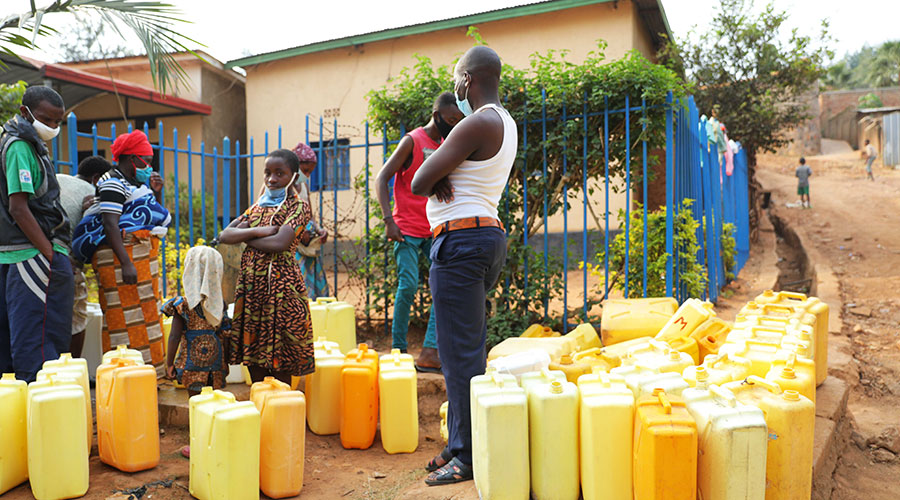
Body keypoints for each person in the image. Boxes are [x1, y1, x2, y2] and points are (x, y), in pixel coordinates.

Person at [410, 46, 517, 486]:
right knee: (463, 350)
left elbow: (418, 180)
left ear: (467, 80)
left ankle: (468, 457)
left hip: (461, 242)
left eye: (457, 81)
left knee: (459, 356)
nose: (456, 89)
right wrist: (442, 180)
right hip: (483, 236)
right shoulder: (505, 122)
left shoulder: (478, 120)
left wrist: (438, 180)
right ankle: (460, 444)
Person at [72, 130, 171, 377]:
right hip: (119, 260)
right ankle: (125, 375)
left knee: (146, 315)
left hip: (138, 257)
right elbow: (110, 224)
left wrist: (154, 191)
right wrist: (126, 263)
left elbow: (146, 216)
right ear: (131, 159)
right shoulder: (112, 182)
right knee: (122, 320)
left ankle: (150, 374)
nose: (149, 165)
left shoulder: (133, 183)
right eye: (145, 160)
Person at [376, 92, 463, 372]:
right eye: (450, 120)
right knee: (408, 285)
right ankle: (399, 350)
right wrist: (389, 220)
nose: (454, 125)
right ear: (436, 115)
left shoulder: (446, 144)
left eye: (458, 121)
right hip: (406, 230)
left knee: (444, 286)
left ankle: (429, 351)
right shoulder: (412, 141)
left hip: (434, 229)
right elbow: (382, 178)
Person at [218, 149, 315, 384]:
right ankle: (262, 410)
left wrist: (244, 237)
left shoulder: (298, 207)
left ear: (293, 176)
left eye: (279, 173)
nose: (272, 179)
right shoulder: (257, 207)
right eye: (268, 173)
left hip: (281, 288)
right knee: (254, 356)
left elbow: (280, 243)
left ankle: (282, 411)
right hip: (252, 289)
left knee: (281, 354)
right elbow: (225, 234)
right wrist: (257, 231)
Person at [0, 86, 73, 382]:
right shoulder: (19, 146)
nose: (53, 127)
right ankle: (43, 409)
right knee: (40, 343)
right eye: (47, 120)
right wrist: (50, 253)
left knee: (12, 340)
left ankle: (16, 418)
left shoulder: (23, 143)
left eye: (58, 122)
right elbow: (19, 207)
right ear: (24, 113)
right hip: (31, 254)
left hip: (15, 253)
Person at [57, 155, 111, 357]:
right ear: (97, 179)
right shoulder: (92, 193)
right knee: (76, 319)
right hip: (65, 262)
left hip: (35, 256)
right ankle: (72, 366)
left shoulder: (58, 178)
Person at [162, 245, 229, 395]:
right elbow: (225, 335)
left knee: (196, 405)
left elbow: (174, 336)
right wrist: (226, 362)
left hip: (191, 368)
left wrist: (170, 364)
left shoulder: (183, 305)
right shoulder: (219, 305)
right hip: (216, 367)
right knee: (214, 404)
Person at [291, 142, 330, 299]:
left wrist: (319, 230)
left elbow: (310, 214)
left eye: (310, 173)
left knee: (313, 287)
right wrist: (299, 233)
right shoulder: (283, 187)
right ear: (295, 165)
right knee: (298, 286)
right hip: (293, 245)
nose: (306, 175)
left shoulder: (304, 186)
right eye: (305, 171)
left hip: (308, 245)